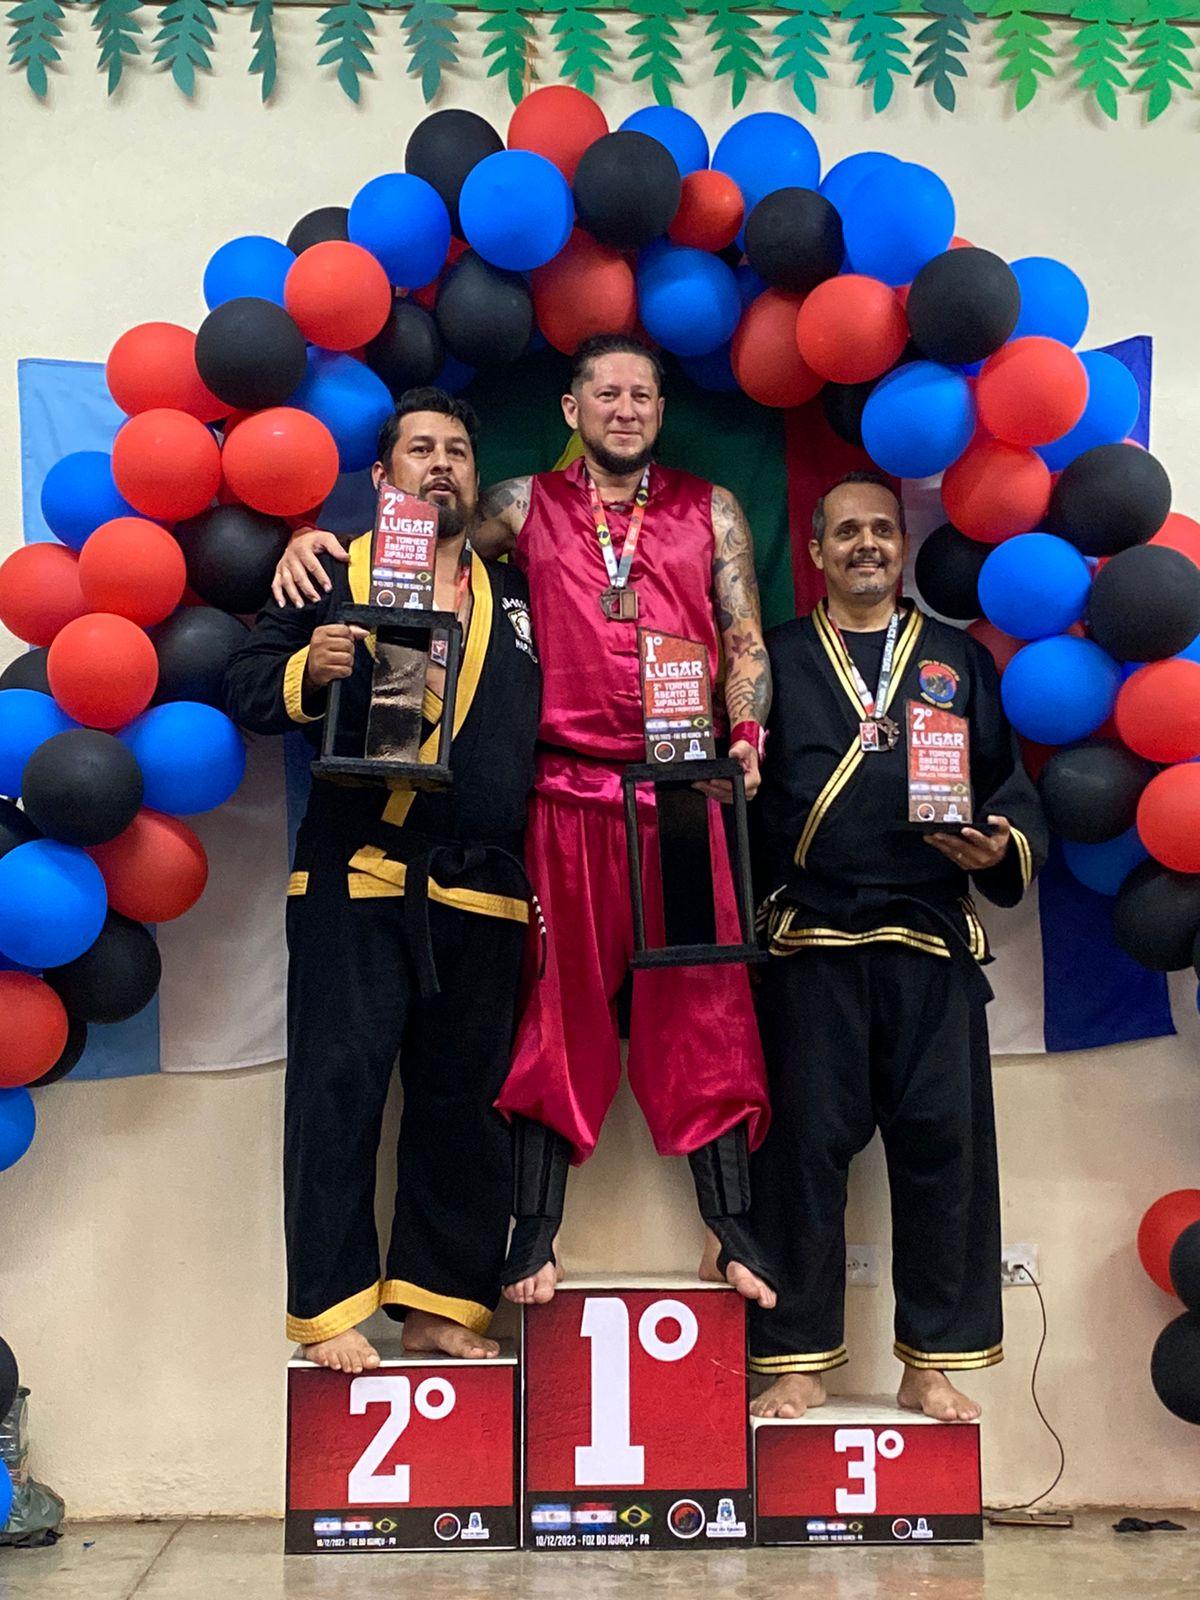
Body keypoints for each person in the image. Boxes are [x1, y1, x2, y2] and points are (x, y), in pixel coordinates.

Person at [274, 335, 777, 1313]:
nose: (625, 408)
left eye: (642, 394)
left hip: (683, 789)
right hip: (562, 794)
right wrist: (309, 538)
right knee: (553, 1009)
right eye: (607, 393)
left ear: (661, 410)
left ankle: (731, 1227)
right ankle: (534, 1230)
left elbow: (744, 632)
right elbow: (421, 540)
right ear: (571, 409)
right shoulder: (519, 505)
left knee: (707, 1002)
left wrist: (748, 733)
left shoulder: (712, 508)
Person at [226, 388, 541, 1373]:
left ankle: (441, 1304)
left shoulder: (520, 598)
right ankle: (328, 1309)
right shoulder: (328, 571)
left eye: (457, 451)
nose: (440, 464)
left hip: (481, 885)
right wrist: (309, 670)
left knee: (464, 1104)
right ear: (382, 475)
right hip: (355, 874)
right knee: (338, 1089)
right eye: (420, 449)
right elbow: (247, 685)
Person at [747, 471, 1048, 1423]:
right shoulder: (777, 658)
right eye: (847, 532)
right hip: (812, 940)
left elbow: (1006, 787)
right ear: (816, 551)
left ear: (902, 546)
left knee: (943, 1153)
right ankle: (798, 1356)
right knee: (800, 1155)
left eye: (882, 529)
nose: (867, 544)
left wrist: (1001, 843)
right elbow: (741, 798)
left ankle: (933, 1359)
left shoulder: (956, 658)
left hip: (930, 938)